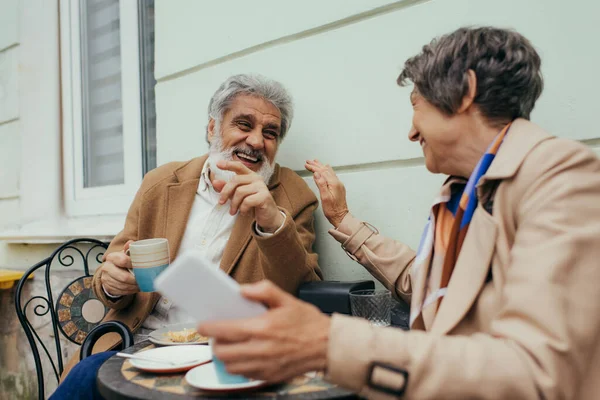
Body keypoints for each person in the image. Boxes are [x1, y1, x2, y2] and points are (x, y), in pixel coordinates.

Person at [198, 27, 600, 399]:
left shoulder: (564, 180)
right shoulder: (463, 189)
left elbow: (541, 373)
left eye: (416, 106)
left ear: (465, 93)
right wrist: (344, 221)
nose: (411, 131)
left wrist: (329, 342)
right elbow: (425, 285)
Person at [53, 74, 322, 398]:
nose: (255, 141)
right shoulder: (161, 183)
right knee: (85, 376)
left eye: (269, 133)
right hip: (134, 347)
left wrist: (269, 218)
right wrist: (112, 283)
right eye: (243, 124)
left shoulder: (292, 196)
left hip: (218, 358)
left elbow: (300, 289)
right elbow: (112, 269)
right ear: (212, 128)